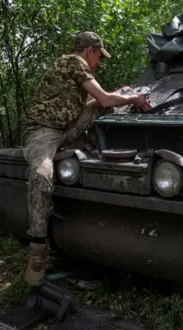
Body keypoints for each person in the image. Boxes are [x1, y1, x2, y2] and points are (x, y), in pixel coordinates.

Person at [21, 31, 151, 286]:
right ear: (89, 51)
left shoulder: (72, 73)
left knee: (107, 103)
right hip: (43, 132)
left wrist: (121, 94)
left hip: (66, 129)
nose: (98, 63)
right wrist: (131, 98)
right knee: (41, 175)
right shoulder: (73, 62)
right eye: (99, 57)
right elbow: (102, 97)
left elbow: (96, 101)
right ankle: (37, 250)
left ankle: (92, 144)